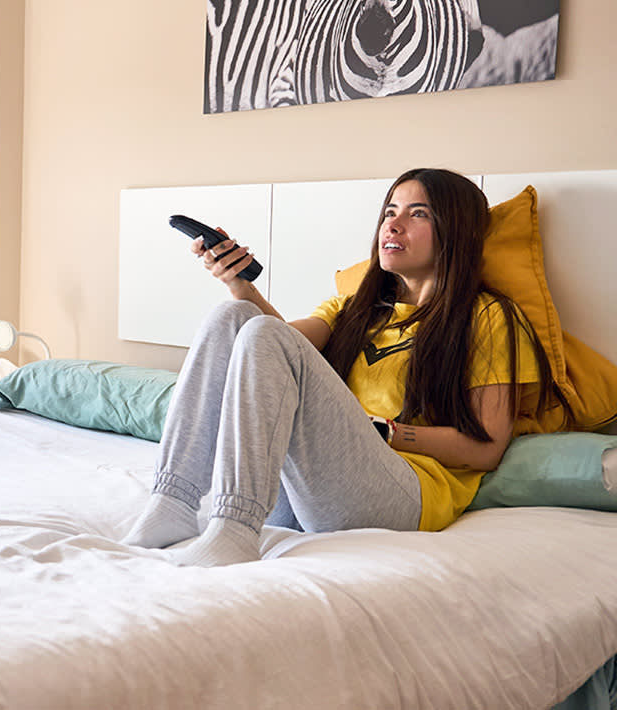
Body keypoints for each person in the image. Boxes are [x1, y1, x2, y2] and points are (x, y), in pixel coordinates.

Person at [121, 168, 554, 567]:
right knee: (231, 318)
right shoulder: (357, 307)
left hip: (403, 495)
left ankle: (234, 528)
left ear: (456, 231)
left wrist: (385, 431)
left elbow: (487, 449)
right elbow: (272, 343)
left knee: (260, 331)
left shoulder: (489, 317)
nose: (393, 225)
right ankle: (174, 501)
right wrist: (238, 282)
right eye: (390, 211)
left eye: (417, 213)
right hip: (313, 491)